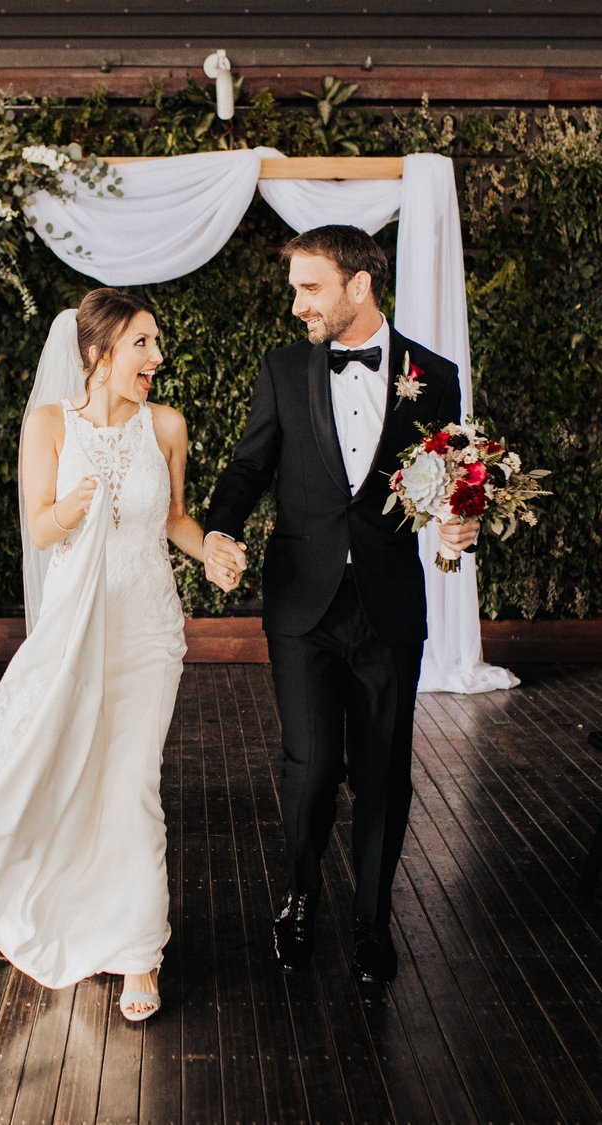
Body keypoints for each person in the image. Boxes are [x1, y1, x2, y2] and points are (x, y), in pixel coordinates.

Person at [0, 288, 238, 1019]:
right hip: (76, 628)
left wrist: (212, 550)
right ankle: (79, 920)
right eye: (143, 343)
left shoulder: (165, 425)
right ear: (99, 352)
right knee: (80, 777)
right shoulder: (47, 425)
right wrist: (65, 510)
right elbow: (41, 531)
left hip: (147, 629)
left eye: (156, 343)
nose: (157, 359)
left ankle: (141, 953)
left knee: (134, 781)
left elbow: (173, 517)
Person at [203, 225, 479, 983]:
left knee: (384, 770)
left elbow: (456, 476)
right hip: (302, 603)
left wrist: (465, 520)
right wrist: (219, 529)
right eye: (295, 287)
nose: (297, 305)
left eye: (310, 287)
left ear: (359, 285)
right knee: (313, 764)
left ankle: (372, 919)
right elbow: (248, 464)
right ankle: (299, 894)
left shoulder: (436, 372)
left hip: (389, 605)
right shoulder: (285, 369)